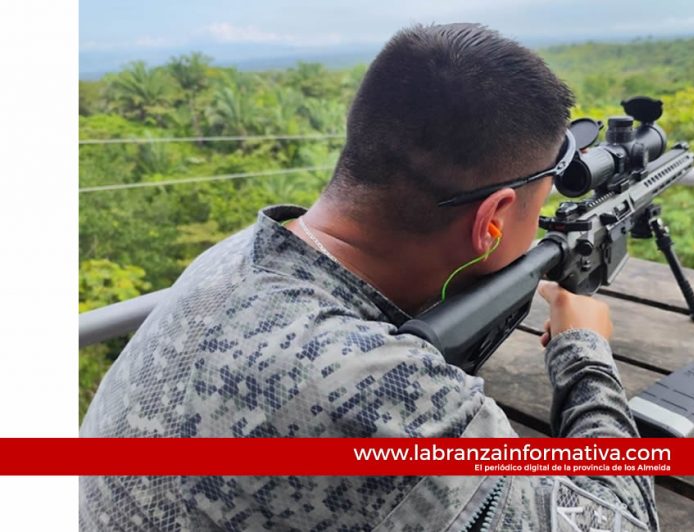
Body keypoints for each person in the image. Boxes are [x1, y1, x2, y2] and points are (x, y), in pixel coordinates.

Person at [80, 22, 658, 531]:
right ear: (494, 221)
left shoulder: (234, 257)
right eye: (541, 207)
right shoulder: (372, 389)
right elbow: (621, 522)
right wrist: (585, 354)